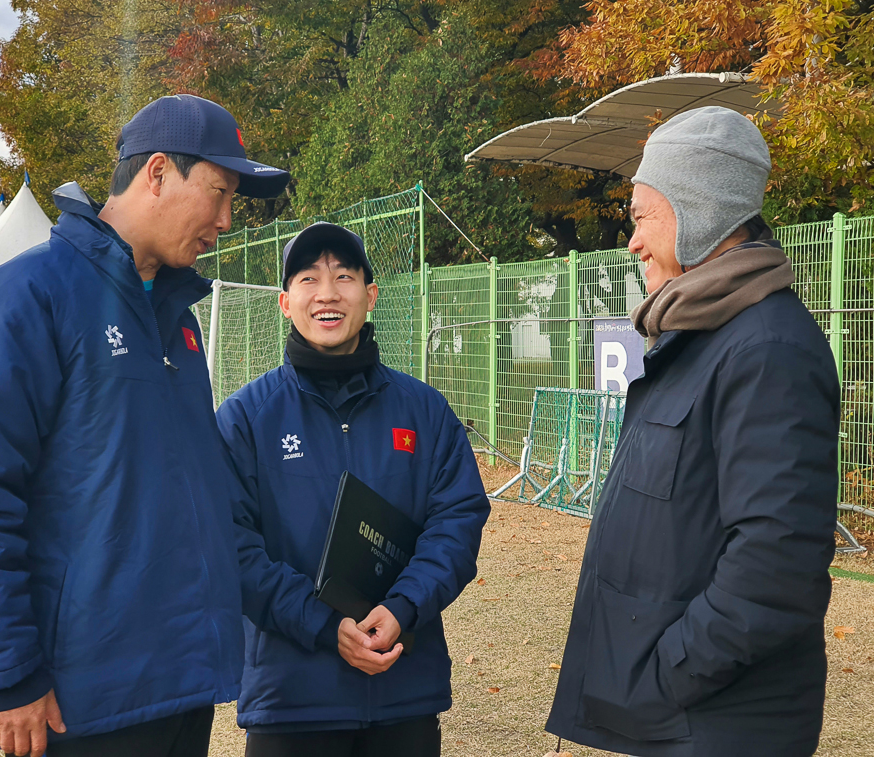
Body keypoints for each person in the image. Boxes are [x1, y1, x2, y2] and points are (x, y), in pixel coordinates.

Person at [0, 94, 290, 757]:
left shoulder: (178, 318)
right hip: (77, 704)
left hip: (179, 684)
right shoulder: (26, 295)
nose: (226, 219)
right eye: (218, 192)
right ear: (156, 172)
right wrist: (7, 675)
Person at [545, 107, 840, 757]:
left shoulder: (767, 349)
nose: (632, 240)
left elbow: (773, 566)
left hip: (719, 719)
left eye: (642, 215)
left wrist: (663, 675)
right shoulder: (704, 338)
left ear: (699, 210)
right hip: (683, 716)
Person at [216, 222, 491, 757]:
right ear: (284, 301)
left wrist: (404, 607)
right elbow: (231, 545)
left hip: (403, 694)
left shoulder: (424, 410)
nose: (327, 293)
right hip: (292, 701)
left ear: (370, 295)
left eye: (343, 276)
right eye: (309, 278)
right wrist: (324, 625)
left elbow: (458, 520)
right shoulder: (246, 418)